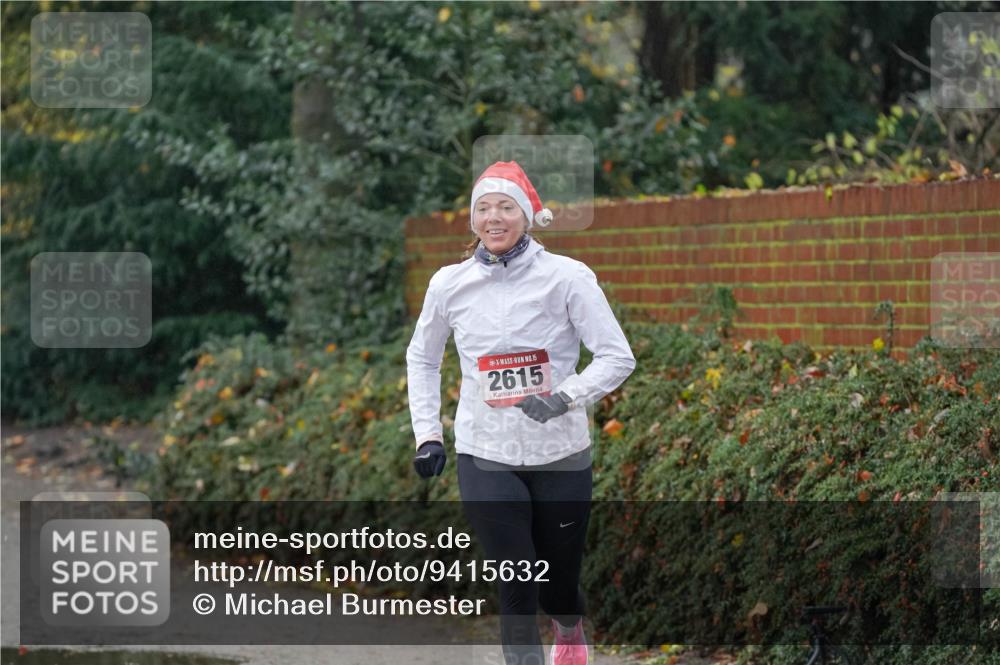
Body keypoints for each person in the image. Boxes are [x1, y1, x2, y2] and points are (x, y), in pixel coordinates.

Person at [406, 160, 635, 665]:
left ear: (527, 216)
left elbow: (618, 356)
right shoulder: (449, 284)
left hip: (562, 454)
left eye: (506, 207)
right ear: (472, 220)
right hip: (485, 452)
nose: (494, 217)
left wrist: (563, 396)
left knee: (556, 586)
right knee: (516, 582)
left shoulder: (568, 278)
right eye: (483, 208)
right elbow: (422, 357)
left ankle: (569, 626)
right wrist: (428, 435)